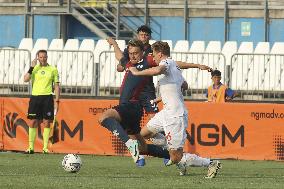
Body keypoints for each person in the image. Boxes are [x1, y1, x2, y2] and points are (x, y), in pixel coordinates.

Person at [129, 41, 221, 178]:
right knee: (144, 134)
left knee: (176, 157)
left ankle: (211, 163)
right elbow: (185, 85)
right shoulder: (174, 67)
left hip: (175, 115)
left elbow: (159, 70)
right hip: (166, 112)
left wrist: (137, 73)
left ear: (160, 54)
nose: (152, 58)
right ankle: (169, 145)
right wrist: (163, 96)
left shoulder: (165, 64)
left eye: (154, 54)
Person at [23, 49, 60, 154]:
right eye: (41, 57)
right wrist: (31, 67)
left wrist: (57, 100)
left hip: (47, 98)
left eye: (44, 57)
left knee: (47, 122)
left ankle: (45, 148)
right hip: (35, 97)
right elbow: (25, 79)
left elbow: (56, 86)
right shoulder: (34, 69)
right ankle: (30, 148)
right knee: (33, 121)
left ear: (47, 57)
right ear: (37, 58)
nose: (43, 59)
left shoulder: (53, 69)